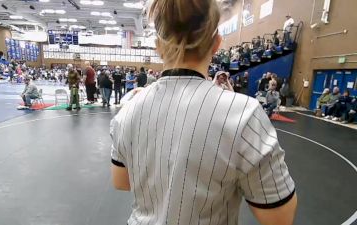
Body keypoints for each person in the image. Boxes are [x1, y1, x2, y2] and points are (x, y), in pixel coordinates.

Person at [110, 0, 297, 224]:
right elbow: (279, 216)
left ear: (158, 46)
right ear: (216, 43)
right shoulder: (243, 114)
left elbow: (122, 181)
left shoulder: (129, 108)